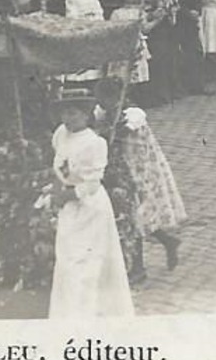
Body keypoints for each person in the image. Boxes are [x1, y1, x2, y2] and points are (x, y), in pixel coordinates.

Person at [49, 88, 135, 318]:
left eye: (74, 114)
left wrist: (65, 196)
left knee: (85, 264)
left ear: (87, 115)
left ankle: (90, 314)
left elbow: (91, 185)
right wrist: (55, 192)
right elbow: (57, 168)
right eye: (65, 113)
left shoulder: (94, 143)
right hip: (68, 208)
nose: (68, 119)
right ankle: (67, 313)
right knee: (67, 260)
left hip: (89, 208)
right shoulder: (61, 134)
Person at [93, 77, 187, 272]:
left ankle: (138, 268)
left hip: (141, 169)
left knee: (135, 216)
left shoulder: (133, 114)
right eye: (99, 98)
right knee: (133, 215)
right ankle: (167, 241)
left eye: (106, 98)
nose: (102, 103)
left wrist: (107, 131)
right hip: (121, 167)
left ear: (118, 97)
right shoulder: (103, 112)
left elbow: (120, 133)